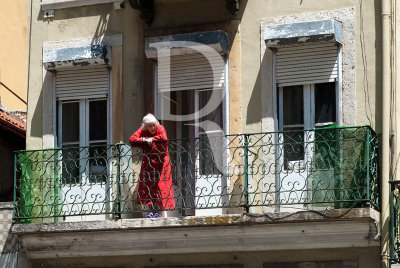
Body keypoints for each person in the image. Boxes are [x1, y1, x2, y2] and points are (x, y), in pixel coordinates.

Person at [129, 113, 175, 218]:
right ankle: (151, 212)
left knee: (160, 186)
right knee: (148, 186)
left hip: (161, 163)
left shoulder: (160, 128)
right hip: (149, 164)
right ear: (145, 126)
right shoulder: (143, 130)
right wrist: (144, 139)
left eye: (153, 125)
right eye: (149, 126)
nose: (152, 127)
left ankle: (158, 212)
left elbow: (163, 137)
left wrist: (152, 139)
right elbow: (132, 139)